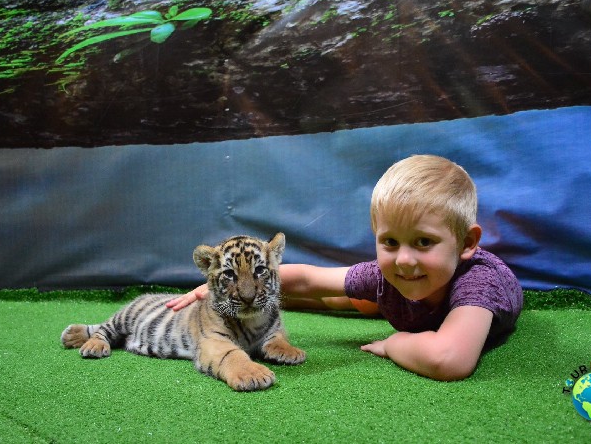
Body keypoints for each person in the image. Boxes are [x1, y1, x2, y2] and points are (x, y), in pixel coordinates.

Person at [167, 155, 523, 381]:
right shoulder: (389, 274)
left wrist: (396, 344)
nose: (404, 259)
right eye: (390, 242)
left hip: (450, 306)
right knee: (345, 297)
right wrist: (208, 289)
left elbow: (448, 359)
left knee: (363, 302)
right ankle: (283, 300)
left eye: (424, 242)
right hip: (400, 297)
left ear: (466, 244)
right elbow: (307, 279)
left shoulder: (478, 284)